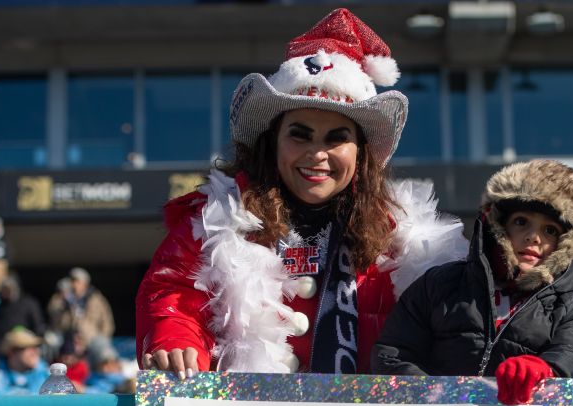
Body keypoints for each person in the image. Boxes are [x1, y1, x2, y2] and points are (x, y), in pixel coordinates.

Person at [135, 8, 466, 376]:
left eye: (337, 139)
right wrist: (174, 341)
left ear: (361, 154)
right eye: (300, 134)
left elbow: (456, 331)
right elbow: (173, 295)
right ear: (272, 142)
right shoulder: (216, 219)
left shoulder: (402, 238)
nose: (317, 154)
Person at [371, 159, 573, 400]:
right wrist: (434, 395)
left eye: (550, 230)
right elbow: (392, 353)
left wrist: (545, 369)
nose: (533, 237)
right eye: (521, 222)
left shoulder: (571, 307)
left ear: (568, 244)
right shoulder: (439, 284)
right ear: (498, 227)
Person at [0, 274, 47, 362]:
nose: (4, 293)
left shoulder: (28, 303)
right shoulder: (2, 306)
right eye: (3, 290)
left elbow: (38, 326)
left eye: (7, 289)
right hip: (3, 350)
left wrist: (34, 345)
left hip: (22, 349)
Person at [48, 267, 114, 346]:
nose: (73, 284)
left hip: (90, 339)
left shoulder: (97, 299)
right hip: (66, 338)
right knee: (51, 341)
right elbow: (52, 312)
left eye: (77, 281)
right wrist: (63, 299)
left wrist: (104, 339)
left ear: (85, 283)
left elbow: (107, 322)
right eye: (71, 281)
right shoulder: (61, 297)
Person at [0, 327, 50, 395]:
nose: (35, 351)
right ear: (11, 353)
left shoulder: (49, 377)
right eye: (28, 347)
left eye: (36, 346)